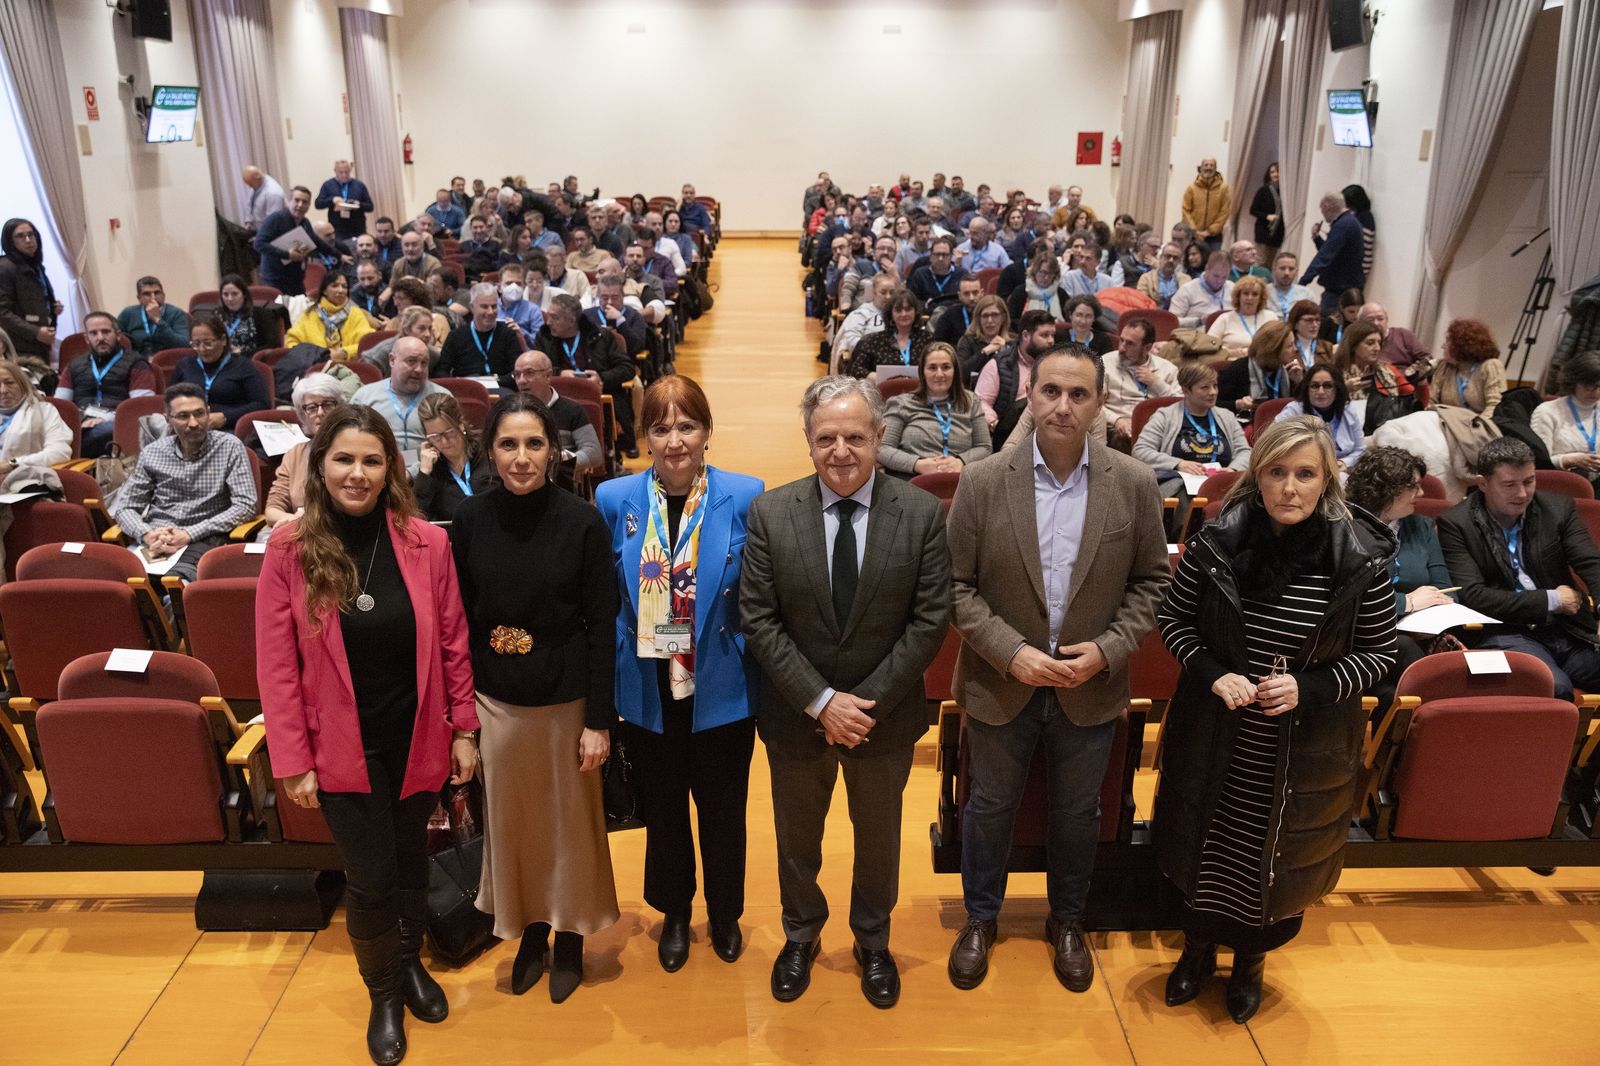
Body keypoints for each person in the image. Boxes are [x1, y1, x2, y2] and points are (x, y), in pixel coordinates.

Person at [1155, 417, 1397, 1024]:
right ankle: (1197, 951)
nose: (1290, 487)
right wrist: (1213, 672)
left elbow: (1380, 655)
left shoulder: (1361, 560)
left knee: (1275, 859)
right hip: (1217, 730)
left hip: (1303, 742)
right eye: (1277, 472)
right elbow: (1172, 623)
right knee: (1209, 848)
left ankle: (1249, 964)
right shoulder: (1216, 541)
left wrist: (1309, 687)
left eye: (1305, 474)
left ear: (1327, 481)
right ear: (1256, 477)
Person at [256, 404, 478, 1064]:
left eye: (371, 460)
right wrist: (292, 757)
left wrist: (463, 729)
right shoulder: (289, 549)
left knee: (412, 861)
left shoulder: (425, 542)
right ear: (320, 466)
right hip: (340, 747)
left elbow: (453, 642)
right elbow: (276, 664)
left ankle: (409, 966)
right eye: (344, 459)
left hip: (417, 738)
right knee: (372, 875)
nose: (357, 472)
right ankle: (383, 991)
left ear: (391, 469)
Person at [946, 342, 1169, 993]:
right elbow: (956, 587)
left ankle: (1067, 920)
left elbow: (1153, 584)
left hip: (1088, 686)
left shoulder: (1132, 483)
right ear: (1030, 397)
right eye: (1051, 392)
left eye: (1078, 394)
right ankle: (981, 919)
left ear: (1099, 402)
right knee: (988, 808)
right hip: (1000, 681)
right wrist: (1010, 652)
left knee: (1078, 814)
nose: (1063, 406)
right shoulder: (985, 481)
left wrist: (1107, 648)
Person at [740, 375, 950, 1009]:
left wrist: (864, 704)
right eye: (826, 437)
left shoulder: (920, 513)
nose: (840, 450)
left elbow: (930, 618)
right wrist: (822, 701)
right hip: (796, 716)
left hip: (882, 718)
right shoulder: (772, 512)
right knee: (796, 837)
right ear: (808, 442)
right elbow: (758, 617)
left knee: (879, 836)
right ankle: (800, 934)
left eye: (855, 437)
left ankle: (873, 940)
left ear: (880, 438)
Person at [451, 394, 620, 1004]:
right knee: (513, 826)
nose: (521, 458)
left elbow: (604, 624)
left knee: (569, 827)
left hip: (565, 700)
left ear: (553, 450)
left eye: (534, 444)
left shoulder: (581, 520)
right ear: (490, 452)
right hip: (496, 700)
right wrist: (463, 719)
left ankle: (571, 936)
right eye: (507, 445)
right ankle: (529, 932)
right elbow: (460, 621)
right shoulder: (470, 520)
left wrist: (599, 719)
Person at [593, 376, 763, 972]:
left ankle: (724, 913)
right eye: (660, 428)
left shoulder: (744, 495)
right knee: (663, 810)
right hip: (645, 685)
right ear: (643, 437)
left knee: (723, 808)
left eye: (686, 426)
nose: (674, 441)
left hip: (721, 683)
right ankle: (674, 912)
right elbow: (609, 600)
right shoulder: (616, 499)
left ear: (707, 431)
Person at [1436, 437, 1600, 702]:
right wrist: (1553, 599)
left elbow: (1590, 562)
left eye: (1529, 481)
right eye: (1510, 485)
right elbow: (1474, 596)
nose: (1522, 493)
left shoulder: (1558, 509)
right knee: (1553, 686)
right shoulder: (1457, 524)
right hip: (1506, 631)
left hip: (1567, 629)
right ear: (1482, 483)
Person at [112, 383, 259, 583]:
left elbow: (246, 505)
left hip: (206, 535)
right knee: (122, 580)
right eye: (183, 416)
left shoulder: (229, 447)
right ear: (168, 420)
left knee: (176, 582)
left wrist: (189, 533)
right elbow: (126, 507)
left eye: (199, 414)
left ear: (209, 413)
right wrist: (146, 534)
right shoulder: (153, 452)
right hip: (158, 537)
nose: (193, 423)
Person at [1345, 446, 1454, 704]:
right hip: (1360, 636)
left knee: (1399, 691)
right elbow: (1352, 597)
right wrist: (1408, 603)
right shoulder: (1345, 528)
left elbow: (1443, 589)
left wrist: (1429, 623)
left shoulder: (1421, 526)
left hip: (1420, 635)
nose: (1422, 493)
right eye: (1414, 486)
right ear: (1389, 489)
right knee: (1402, 654)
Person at [532, 293, 637, 456]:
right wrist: (559, 374)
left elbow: (627, 368)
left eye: (554, 317)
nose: (548, 322)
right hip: (556, 400)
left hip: (597, 397)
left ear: (571, 320)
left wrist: (601, 378)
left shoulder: (600, 336)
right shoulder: (544, 336)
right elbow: (535, 369)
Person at [877, 342, 992, 477]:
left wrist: (962, 462)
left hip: (961, 478)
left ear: (955, 371)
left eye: (946, 367)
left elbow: (985, 447)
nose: (939, 374)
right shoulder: (901, 403)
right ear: (922, 372)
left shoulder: (971, 401)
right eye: (932, 368)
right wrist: (917, 464)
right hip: (913, 478)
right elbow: (882, 448)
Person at [53, 310, 158, 457]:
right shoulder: (74, 365)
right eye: (94, 333)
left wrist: (103, 419)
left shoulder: (137, 363)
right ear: (86, 338)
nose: (100, 338)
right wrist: (78, 422)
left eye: (106, 332)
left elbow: (139, 409)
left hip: (116, 423)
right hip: (80, 423)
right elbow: (60, 405)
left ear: (118, 335)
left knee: (102, 431)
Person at [1134, 361, 1252, 480]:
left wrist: (1232, 470)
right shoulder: (1165, 416)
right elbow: (1141, 451)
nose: (1213, 392)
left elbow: (1245, 452)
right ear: (1186, 391)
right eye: (1205, 387)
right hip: (1179, 481)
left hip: (1221, 481)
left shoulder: (1227, 416)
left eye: (1215, 385)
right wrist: (1178, 464)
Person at [510, 349, 604, 488]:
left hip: (560, 485)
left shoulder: (572, 410)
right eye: (517, 375)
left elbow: (594, 453)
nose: (521, 381)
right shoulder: (509, 412)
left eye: (529, 373)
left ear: (548, 376)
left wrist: (558, 460)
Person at [264, 373, 343, 530]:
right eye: (312, 408)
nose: (320, 413)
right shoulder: (295, 454)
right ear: (302, 415)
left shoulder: (356, 449)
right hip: (301, 531)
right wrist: (297, 520)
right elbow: (272, 509)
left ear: (340, 408)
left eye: (327, 405)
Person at [170, 314, 269, 431]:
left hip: (230, 429)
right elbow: (171, 400)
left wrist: (226, 417)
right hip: (189, 429)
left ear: (223, 340)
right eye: (196, 344)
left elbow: (262, 404)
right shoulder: (185, 365)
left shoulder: (243, 366)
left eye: (208, 343)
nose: (202, 349)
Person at [352, 337, 449, 454]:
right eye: (411, 361)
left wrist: (416, 470)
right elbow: (349, 442)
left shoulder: (441, 397)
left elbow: (451, 447)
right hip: (378, 467)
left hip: (430, 468)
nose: (419, 369)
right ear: (392, 360)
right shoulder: (365, 396)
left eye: (424, 363)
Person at [976, 310, 1056, 445]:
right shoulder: (999, 365)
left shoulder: (1056, 365)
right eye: (1044, 335)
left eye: (1052, 335)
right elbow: (980, 402)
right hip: (1009, 434)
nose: (1051, 341)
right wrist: (996, 425)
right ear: (1025, 335)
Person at [414, 392, 493, 522]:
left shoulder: (487, 451)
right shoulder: (433, 470)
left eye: (449, 432)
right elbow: (416, 519)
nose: (444, 442)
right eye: (435, 436)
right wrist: (424, 473)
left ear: (461, 424)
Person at [1103, 320, 1180, 446]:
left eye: (1130, 344)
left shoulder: (1167, 369)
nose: (1121, 348)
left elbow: (1182, 406)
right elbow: (1094, 405)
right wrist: (1117, 420)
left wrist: (1157, 384)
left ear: (1147, 348)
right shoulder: (1105, 363)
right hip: (1118, 428)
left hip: (1158, 427)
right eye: (1121, 340)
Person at [256, 186, 342, 297]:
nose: (300, 205)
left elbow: (316, 241)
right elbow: (259, 244)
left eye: (304, 202)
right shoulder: (275, 219)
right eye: (297, 200)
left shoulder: (305, 222)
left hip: (296, 277)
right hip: (276, 278)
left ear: (309, 205)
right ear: (289, 201)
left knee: (301, 309)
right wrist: (287, 255)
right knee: (284, 311)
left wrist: (339, 255)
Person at [1531, 349, 1600, 487]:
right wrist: (1569, 460)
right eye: (1589, 387)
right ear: (1574, 382)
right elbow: (1537, 462)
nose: (1596, 392)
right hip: (1560, 483)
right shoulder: (1548, 412)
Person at [1274, 363, 1364, 465]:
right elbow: (1272, 443)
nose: (1321, 392)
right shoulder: (1293, 411)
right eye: (1314, 386)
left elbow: (1360, 450)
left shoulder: (1348, 409)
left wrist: (1344, 463)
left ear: (1337, 388)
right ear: (1307, 388)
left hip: (1341, 470)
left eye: (1327, 386)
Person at [0, 358, 72, 482]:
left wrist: (14, 464)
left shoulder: (45, 411)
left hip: (27, 483)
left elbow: (59, 453)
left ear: (22, 384)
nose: (3, 390)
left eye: (9, 383)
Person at [0, 218, 63, 360]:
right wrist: (35, 332)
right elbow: (2, 313)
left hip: (40, 344)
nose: (28, 240)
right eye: (20, 236)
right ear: (10, 241)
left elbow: (29, 301)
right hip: (19, 347)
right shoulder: (5, 268)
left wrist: (51, 307)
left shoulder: (34, 265)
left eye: (31, 234)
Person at [440, 283, 521, 387]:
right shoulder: (456, 336)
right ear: (472, 307)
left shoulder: (508, 334)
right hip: (466, 389)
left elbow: (517, 372)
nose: (490, 312)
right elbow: (441, 371)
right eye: (484, 307)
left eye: (494, 306)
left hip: (501, 388)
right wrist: (458, 383)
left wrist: (490, 383)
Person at [285, 273, 376, 363]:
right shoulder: (310, 313)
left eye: (344, 286)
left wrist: (344, 352)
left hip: (349, 365)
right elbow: (292, 342)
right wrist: (316, 355)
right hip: (314, 367)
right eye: (335, 286)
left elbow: (368, 344)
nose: (340, 290)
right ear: (324, 290)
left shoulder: (355, 313)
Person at [1218, 321, 1303, 417]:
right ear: (1273, 350)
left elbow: (1305, 406)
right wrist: (1238, 404)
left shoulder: (1292, 370)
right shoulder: (1237, 370)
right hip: (1248, 424)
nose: (1295, 349)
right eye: (1289, 346)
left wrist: (1299, 383)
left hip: (1285, 424)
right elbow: (1215, 405)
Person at [1300, 193, 1366, 313]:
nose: (1323, 216)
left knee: (1327, 324)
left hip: (1339, 291)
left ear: (1326, 206)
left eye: (1322, 210)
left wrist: (1303, 282)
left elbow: (1324, 257)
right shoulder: (1350, 222)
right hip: (1348, 287)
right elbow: (1333, 253)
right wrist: (1316, 237)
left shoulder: (1343, 225)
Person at [1430, 318, 1505, 417]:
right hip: (1446, 422)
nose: (1442, 346)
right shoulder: (1444, 367)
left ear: (1461, 346)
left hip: (1478, 426)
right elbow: (1432, 402)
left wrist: (1476, 426)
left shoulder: (1491, 366)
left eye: (1448, 342)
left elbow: (1495, 406)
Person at [849, 291, 930, 381]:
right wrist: (880, 378)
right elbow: (856, 370)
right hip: (882, 390)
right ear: (890, 313)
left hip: (919, 391)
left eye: (908, 309)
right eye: (898, 310)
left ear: (916, 312)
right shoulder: (874, 341)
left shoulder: (928, 340)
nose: (903, 314)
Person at [117, 276, 190, 359]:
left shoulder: (176, 313)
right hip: (139, 362)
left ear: (163, 295)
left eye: (157, 293)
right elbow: (117, 338)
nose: (153, 298)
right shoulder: (128, 314)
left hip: (168, 361)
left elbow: (184, 344)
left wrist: (158, 320)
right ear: (139, 298)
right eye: (147, 294)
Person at [1207, 276, 1280, 357]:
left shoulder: (1271, 317)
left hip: (1263, 363)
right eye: (1245, 293)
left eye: (1255, 294)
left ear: (1261, 298)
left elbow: (1279, 344)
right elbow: (1209, 345)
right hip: (1232, 363)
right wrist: (1232, 352)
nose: (1249, 298)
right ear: (1238, 296)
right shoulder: (1225, 319)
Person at [216, 274, 283, 358]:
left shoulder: (261, 314)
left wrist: (243, 354)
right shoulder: (217, 315)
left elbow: (274, 344)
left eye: (235, 294)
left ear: (244, 294)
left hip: (251, 361)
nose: (230, 299)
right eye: (225, 294)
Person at [1333, 320, 1400, 402]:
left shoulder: (1385, 371)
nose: (1377, 348)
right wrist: (1344, 390)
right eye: (1370, 343)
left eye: (1379, 343)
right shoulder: (1334, 372)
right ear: (1353, 345)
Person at [1360, 303, 1431, 377]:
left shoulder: (1403, 335)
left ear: (1387, 319)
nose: (1376, 323)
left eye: (1380, 319)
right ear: (1359, 323)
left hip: (1407, 380)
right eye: (1370, 320)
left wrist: (1414, 371)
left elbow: (1427, 359)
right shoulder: (1358, 343)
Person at [1170, 252, 1235, 330]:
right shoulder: (1187, 290)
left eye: (1224, 277)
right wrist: (1199, 321)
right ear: (1207, 269)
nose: (1220, 281)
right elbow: (1171, 321)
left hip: (1228, 335)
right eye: (1216, 276)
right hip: (1197, 337)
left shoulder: (1232, 288)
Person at [1181, 158, 1232, 251]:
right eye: (1206, 165)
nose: (1209, 167)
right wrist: (1195, 231)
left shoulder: (1223, 188)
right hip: (1193, 235)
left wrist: (1209, 231)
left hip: (1214, 236)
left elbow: (1225, 212)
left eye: (1211, 165)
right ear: (1201, 168)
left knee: (1213, 262)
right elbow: (1185, 210)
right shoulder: (1191, 188)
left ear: (1216, 168)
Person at [317, 160, 375, 241]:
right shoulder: (328, 185)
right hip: (337, 229)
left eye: (346, 172)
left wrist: (358, 204)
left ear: (350, 170)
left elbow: (370, 206)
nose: (344, 175)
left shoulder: (359, 185)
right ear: (335, 171)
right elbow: (318, 204)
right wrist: (332, 200)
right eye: (341, 172)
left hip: (357, 227)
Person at [907, 238, 968, 314]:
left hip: (955, 317)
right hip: (927, 316)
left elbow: (968, 299)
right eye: (937, 254)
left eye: (945, 255)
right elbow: (911, 300)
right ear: (931, 256)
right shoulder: (920, 274)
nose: (940, 258)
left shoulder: (962, 274)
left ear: (951, 256)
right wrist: (925, 305)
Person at [956, 295, 1010, 377]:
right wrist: (984, 352)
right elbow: (960, 372)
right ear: (978, 319)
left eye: (995, 315)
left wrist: (1004, 352)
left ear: (1003, 317)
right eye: (985, 316)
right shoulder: (967, 341)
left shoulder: (1013, 342)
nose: (990, 320)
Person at [1007, 251, 1069, 322]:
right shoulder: (1021, 292)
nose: (1046, 277)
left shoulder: (1061, 294)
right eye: (1042, 272)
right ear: (1034, 271)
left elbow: (1069, 319)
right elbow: (1011, 319)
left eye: (1051, 273)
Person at [1137, 242, 1190, 311]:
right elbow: (1142, 303)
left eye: (1175, 258)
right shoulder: (1146, 278)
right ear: (1160, 257)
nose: (1171, 260)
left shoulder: (1186, 279)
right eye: (1168, 256)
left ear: (1179, 261)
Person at [1265, 253, 1316, 321]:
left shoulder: (1307, 294)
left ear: (1296, 271)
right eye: (1282, 268)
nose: (1287, 273)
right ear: (1274, 269)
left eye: (1291, 269)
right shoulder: (1264, 292)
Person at [1249, 163, 1283, 262]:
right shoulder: (1263, 190)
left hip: (1278, 234)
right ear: (1268, 175)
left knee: (1271, 263)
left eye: (1278, 171)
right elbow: (1253, 210)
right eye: (1272, 172)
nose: (1275, 174)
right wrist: (1267, 216)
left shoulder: (1285, 192)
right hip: (1263, 232)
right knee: (1260, 261)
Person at [1285, 299, 1333, 369]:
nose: (1314, 325)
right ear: (1295, 323)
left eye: (1317, 320)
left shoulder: (1327, 347)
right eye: (1309, 320)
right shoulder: (1287, 348)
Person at [241, 165, 287, 230]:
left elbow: (273, 222)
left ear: (258, 178)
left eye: (250, 184)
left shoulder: (273, 193)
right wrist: (248, 222)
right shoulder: (256, 184)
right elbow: (250, 204)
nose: (249, 187)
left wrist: (261, 237)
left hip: (271, 233)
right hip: (259, 230)